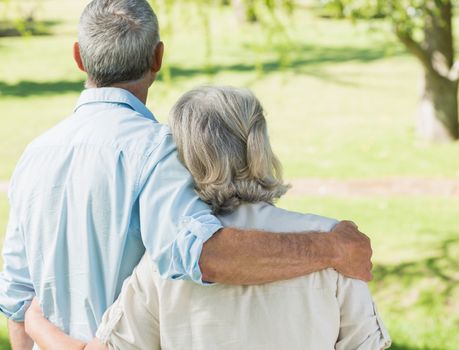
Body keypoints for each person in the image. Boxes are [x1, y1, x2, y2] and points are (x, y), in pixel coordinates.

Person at [0, 0, 372, 348]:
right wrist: (333, 246)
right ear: (158, 57)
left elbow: (18, 301)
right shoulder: (158, 149)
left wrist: (38, 330)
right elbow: (202, 254)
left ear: (78, 57)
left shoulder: (33, 155)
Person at [24, 86, 391, 350]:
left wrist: (34, 320)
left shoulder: (163, 264)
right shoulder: (337, 246)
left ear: (184, 159)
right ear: (260, 145)